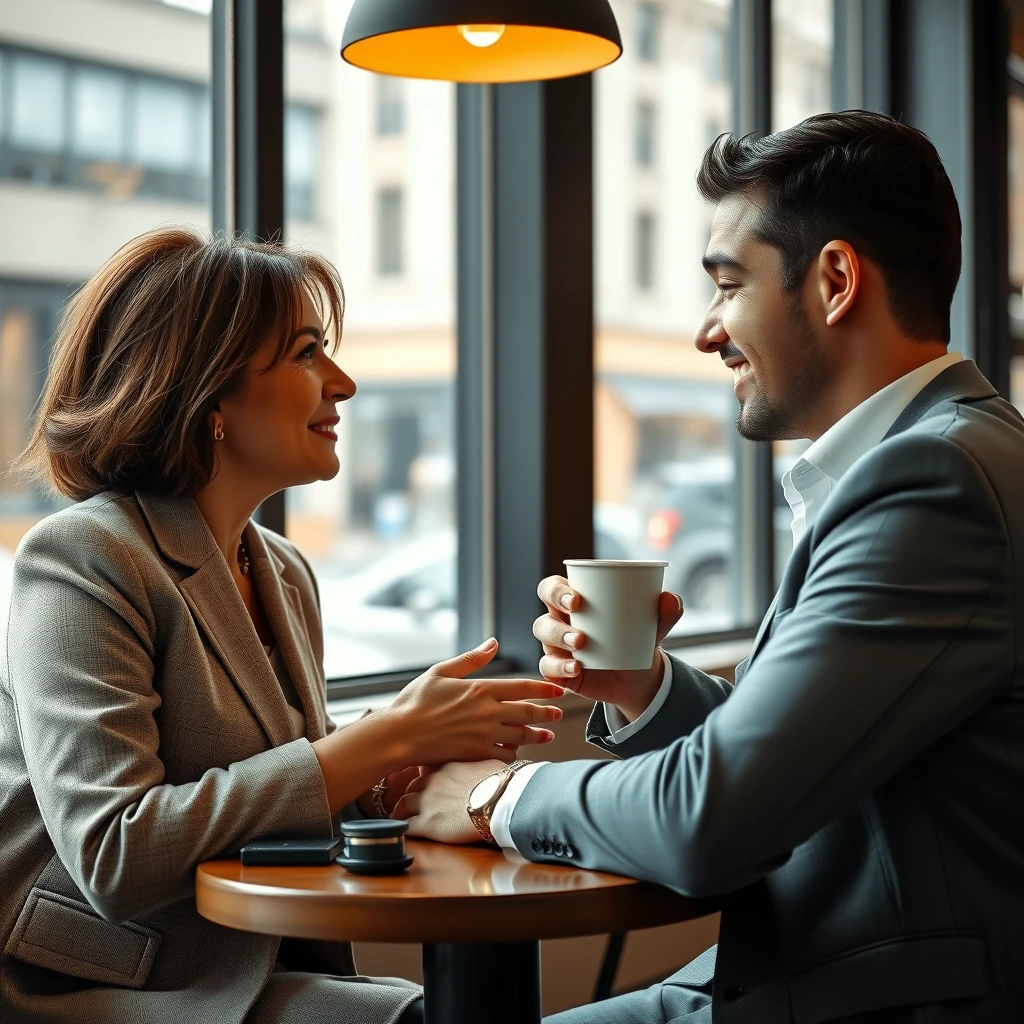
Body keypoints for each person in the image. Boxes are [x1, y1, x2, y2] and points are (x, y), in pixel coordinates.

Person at [398, 110, 1024, 1022]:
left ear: (837, 281)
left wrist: (499, 796)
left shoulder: (933, 482)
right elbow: (805, 756)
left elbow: (714, 823)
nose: (707, 332)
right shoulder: (941, 456)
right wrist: (645, 688)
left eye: (728, 286)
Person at [0, 227, 565, 1024]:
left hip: (249, 956)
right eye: (306, 353)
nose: (343, 383)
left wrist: (384, 786)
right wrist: (383, 738)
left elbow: (280, 787)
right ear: (210, 394)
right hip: (101, 979)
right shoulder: (84, 557)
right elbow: (115, 852)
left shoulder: (283, 571)